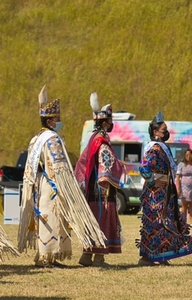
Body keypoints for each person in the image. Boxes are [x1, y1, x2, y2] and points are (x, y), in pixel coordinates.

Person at [18, 85, 106, 267]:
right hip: (54, 184)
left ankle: (47, 256)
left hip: (42, 183)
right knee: (53, 218)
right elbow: (60, 166)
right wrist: (70, 185)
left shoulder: (36, 138)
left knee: (46, 217)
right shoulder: (52, 139)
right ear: (49, 121)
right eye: (57, 118)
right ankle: (49, 256)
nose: (59, 121)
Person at [137, 112, 192, 265]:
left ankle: (162, 255)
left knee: (165, 222)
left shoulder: (162, 148)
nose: (166, 132)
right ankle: (146, 257)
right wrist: (153, 183)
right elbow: (144, 168)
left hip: (164, 192)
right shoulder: (154, 148)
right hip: (155, 194)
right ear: (155, 132)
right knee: (155, 223)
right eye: (164, 130)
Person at [74, 92, 124, 267]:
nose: (111, 125)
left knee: (93, 219)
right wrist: (119, 167)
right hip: (102, 189)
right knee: (100, 219)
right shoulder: (101, 141)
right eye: (110, 122)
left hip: (93, 188)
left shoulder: (93, 139)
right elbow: (106, 163)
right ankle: (99, 258)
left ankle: (87, 256)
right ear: (104, 123)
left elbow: (82, 161)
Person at [175, 148, 192, 225]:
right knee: (184, 205)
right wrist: (178, 188)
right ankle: (183, 222)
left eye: (190, 155)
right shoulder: (181, 165)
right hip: (184, 188)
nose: (188, 156)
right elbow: (177, 178)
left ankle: (191, 223)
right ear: (184, 156)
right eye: (187, 155)